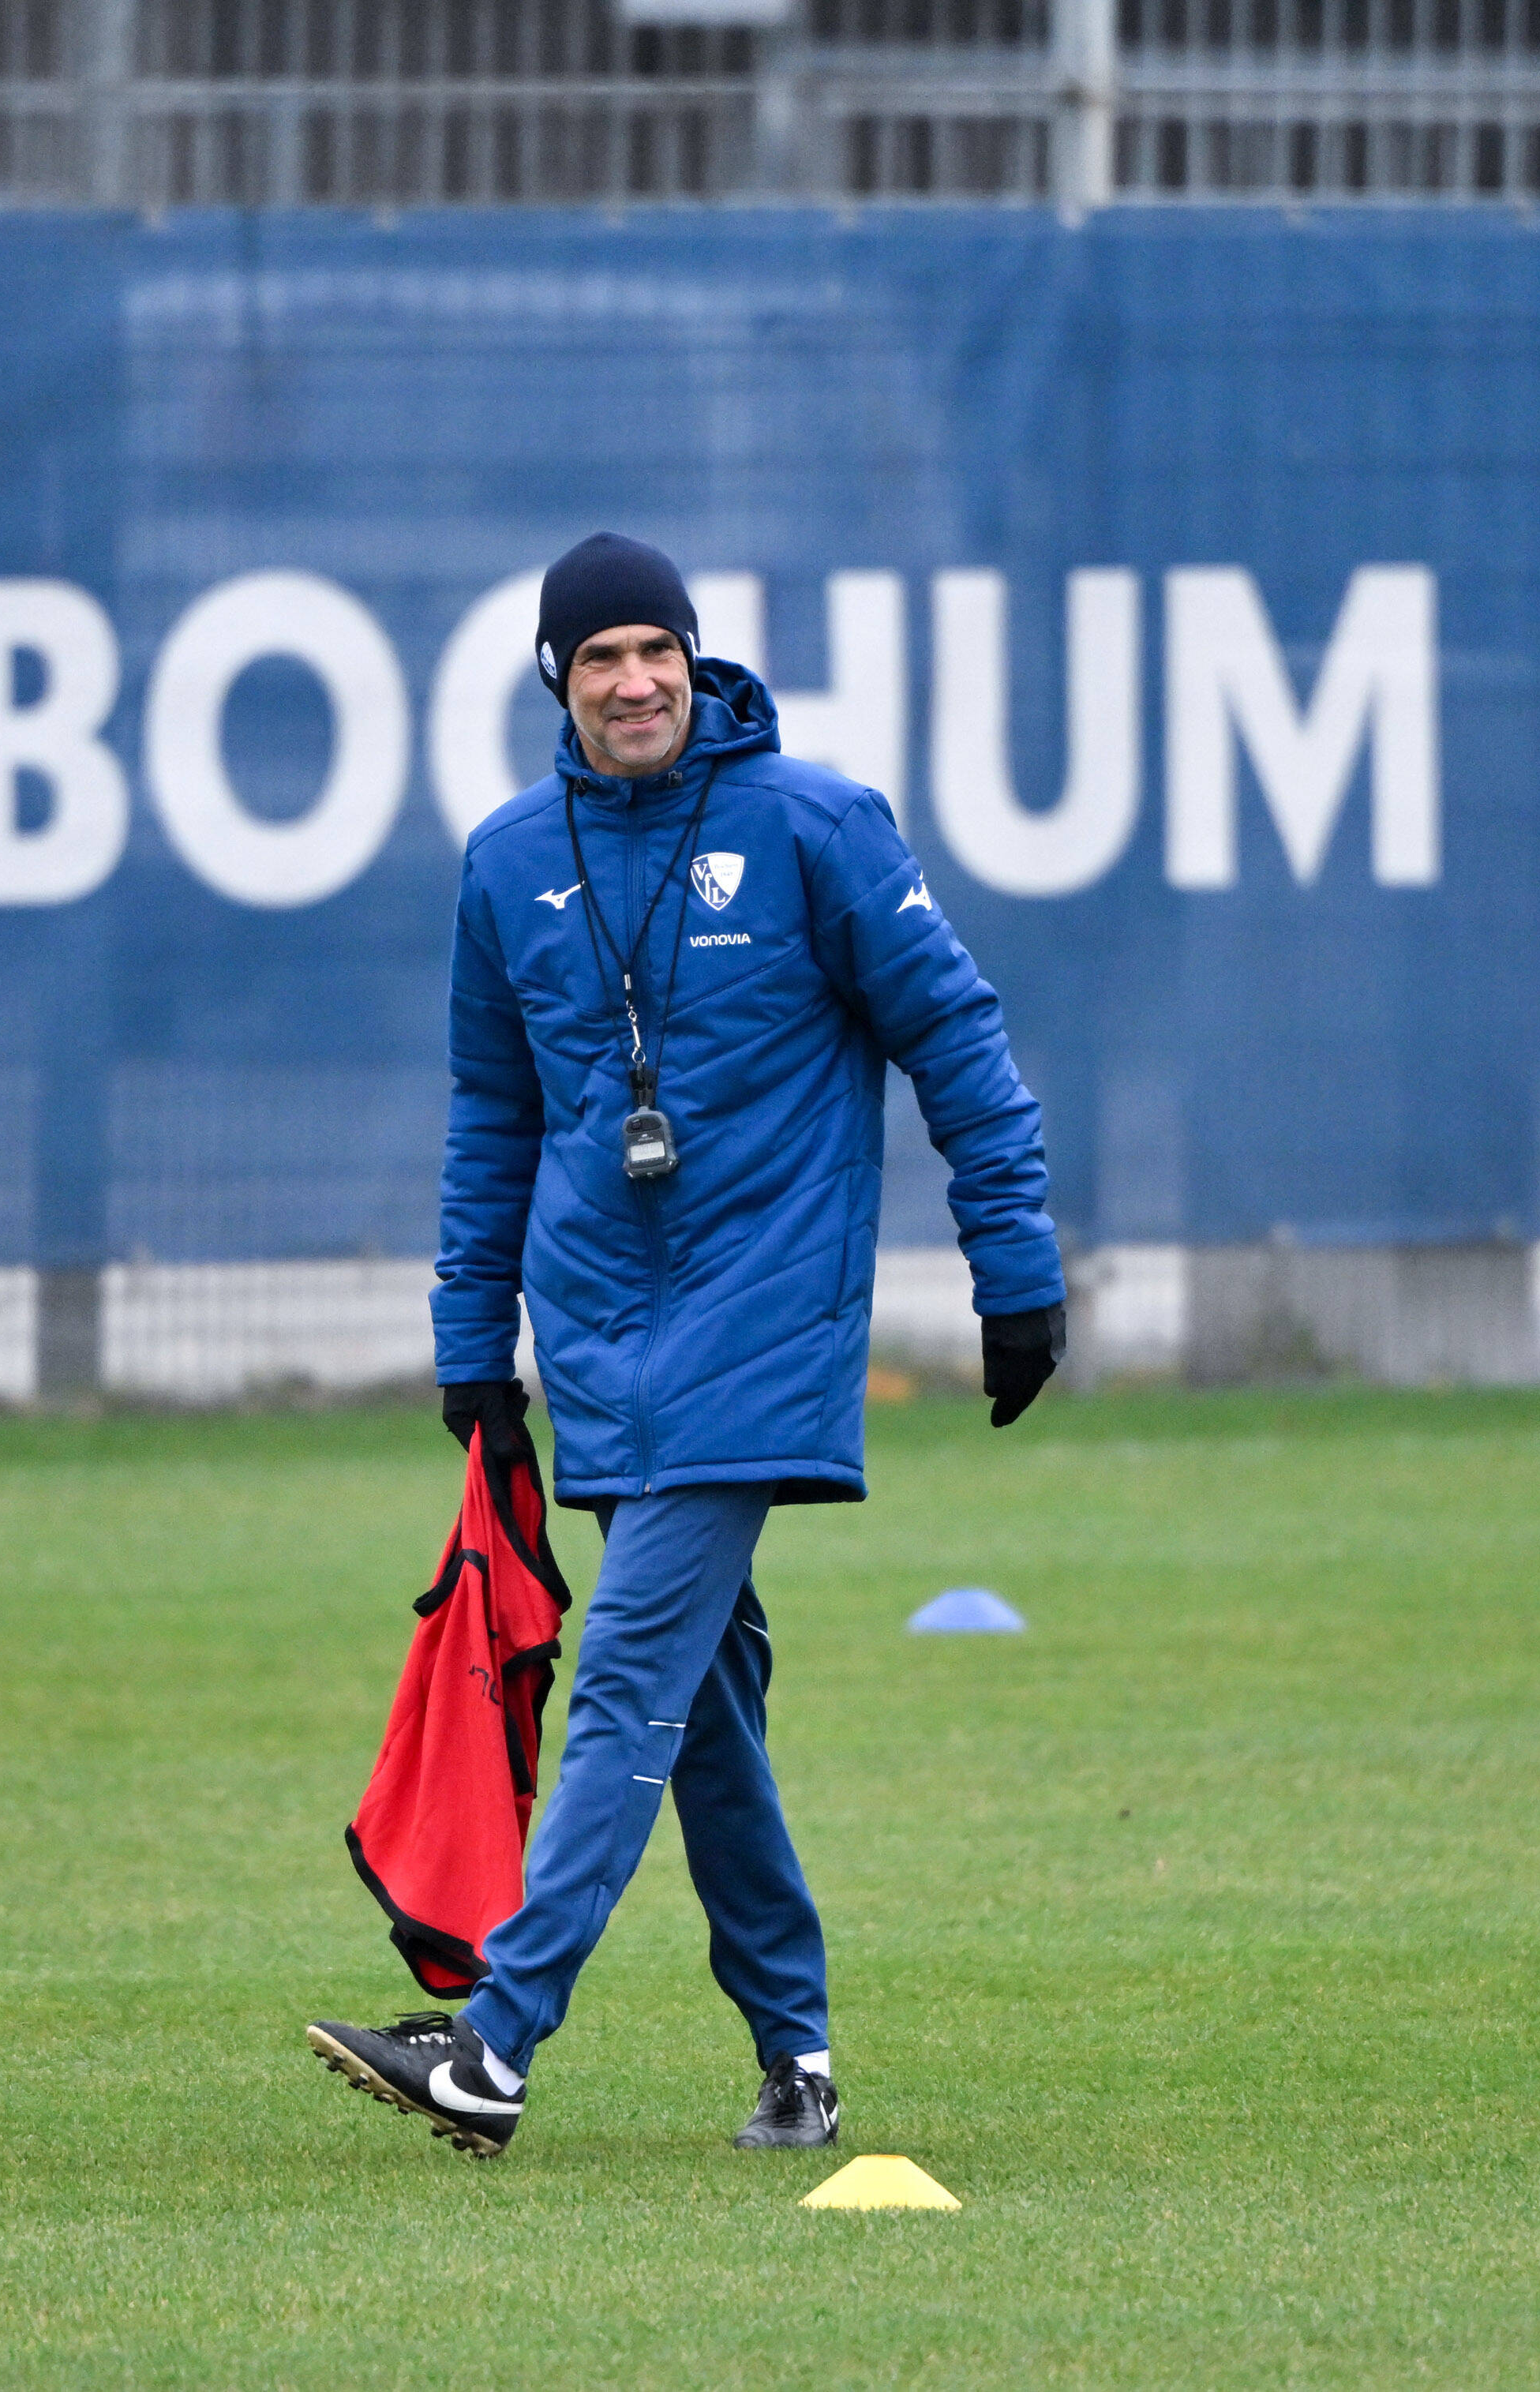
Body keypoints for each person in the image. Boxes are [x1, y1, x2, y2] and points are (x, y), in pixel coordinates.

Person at [306, 532, 1066, 2158]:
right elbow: (492, 1113)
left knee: (628, 1688)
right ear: (555, 683)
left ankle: (494, 2049)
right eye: (600, 659)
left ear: (697, 661)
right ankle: (796, 2058)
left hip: (761, 1332)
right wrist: (470, 1346)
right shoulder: (508, 858)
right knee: (703, 1708)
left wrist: (1015, 1265)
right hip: (597, 1348)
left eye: (657, 649)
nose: (634, 681)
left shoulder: (815, 826)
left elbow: (957, 1034)